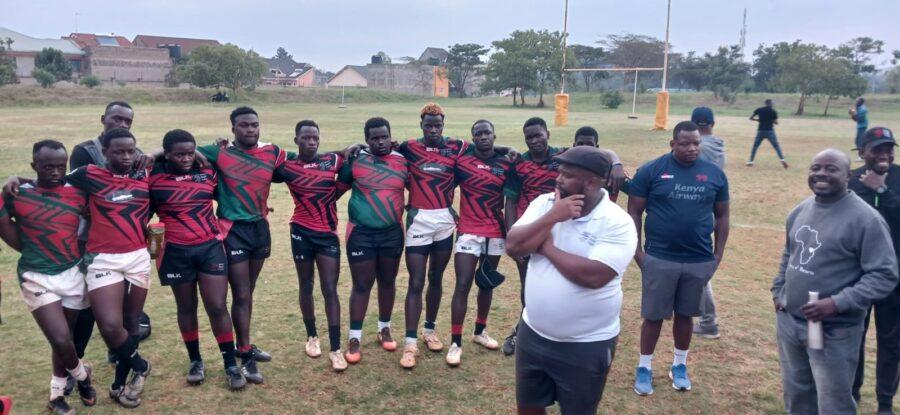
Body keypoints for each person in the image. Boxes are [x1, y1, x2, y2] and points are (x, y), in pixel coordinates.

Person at [507, 146, 637, 414]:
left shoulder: (617, 222)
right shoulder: (545, 204)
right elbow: (514, 246)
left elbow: (593, 276)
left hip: (586, 345)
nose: (557, 179)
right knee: (528, 408)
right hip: (533, 334)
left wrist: (547, 248)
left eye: (566, 175)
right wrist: (554, 215)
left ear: (590, 183)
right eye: (559, 172)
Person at [772, 148, 898, 415]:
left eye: (831, 169)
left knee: (833, 403)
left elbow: (884, 274)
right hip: (791, 323)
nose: (821, 174)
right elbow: (789, 252)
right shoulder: (800, 210)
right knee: (797, 395)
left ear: (848, 175)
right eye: (816, 167)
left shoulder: (866, 220)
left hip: (833, 330)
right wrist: (778, 289)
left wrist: (837, 303)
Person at [502, 118, 626, 356]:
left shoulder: (565, 156)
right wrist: (512, 232)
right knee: (529, 283)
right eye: (530, 137)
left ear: (547, 133)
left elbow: (595, 150)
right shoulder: (520, 163)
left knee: (565, 279)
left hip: (561, 229)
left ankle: (566, 333)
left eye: (539, 135)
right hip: (529, 229)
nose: (535, 140)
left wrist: (616, 161)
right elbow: (510, 200)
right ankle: (524, 329)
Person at [628, 121, 730, 395]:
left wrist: (717, 255)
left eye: (696, 143)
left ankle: (679, 365)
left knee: (686, 315)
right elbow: (634, 212)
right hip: (660, 257)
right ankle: (645, 367)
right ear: (672, 144)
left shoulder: (714, 174)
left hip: (698, 259)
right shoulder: (652, 170)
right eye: (685, 143)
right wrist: (638, 253)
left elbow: (722, 216)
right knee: (653, 316)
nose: (691, 148)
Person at [0, 140, 98, 414]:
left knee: (64, 337)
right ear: (35, 166)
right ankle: (82, 377)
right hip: (36, 277)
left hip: (72, 273)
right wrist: (12, 179)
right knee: (60, 339)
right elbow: (5, 224)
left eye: (60, 166)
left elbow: (93, 219)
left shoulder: (78, 194)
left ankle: (56, 396)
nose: (55, 172)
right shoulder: (17, 193)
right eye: (47, 167)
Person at [148, 129, 245, 390]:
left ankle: (230, 364)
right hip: (175, 251)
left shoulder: (207, 173)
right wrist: (155, 154)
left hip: (209, 248)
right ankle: (195, 360)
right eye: (178, 154)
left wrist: (202, 154)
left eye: (190, 153)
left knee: (217, 306)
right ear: (166, 154)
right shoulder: (154, 177)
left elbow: (227, 186)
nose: (185, 159)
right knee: (186, 307)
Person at [195, 106, 285, 384]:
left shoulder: (271, 151)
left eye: (254, 125)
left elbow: (296, 162)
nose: (250, 129)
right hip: (233, 230)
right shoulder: (220, 152)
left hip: (260, 228)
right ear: (232, 128)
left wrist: (347, 151)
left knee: (248, 292)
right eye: (244, 125)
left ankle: (244, 343)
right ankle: (244, 354)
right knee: (242, 293)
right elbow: (183, 149)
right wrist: (152, 155)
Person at [68, 101, 151, 375]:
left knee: (125, 310)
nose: (123, 124)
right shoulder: (85, 152)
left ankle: (119, 354)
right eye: (117, 119)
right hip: (89, 239)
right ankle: (75, 361)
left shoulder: (135, 154)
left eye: (128, 121)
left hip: (129, 244)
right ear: (104, 119)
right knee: (86, 307)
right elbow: (70, 188)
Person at [273, 120, 349, 371]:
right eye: (305, 138)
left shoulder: (332, 161)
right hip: (301, 233)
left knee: (330, 288)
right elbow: (262, 175)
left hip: (327, 235)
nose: (311, 142)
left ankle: (336, 348)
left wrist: (356, 146)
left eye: (315, 137)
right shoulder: (287, 167)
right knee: (306, 285)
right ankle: (312, 337)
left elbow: (351, 152)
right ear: (296, 141)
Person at [443, 120, 516, 367]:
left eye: (487, 133)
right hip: (468, 232)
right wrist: (450, 212)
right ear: (472, 137)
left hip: (495, 232)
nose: (483, 137)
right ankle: (455, 342)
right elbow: (443, 187)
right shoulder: (462, 161)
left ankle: (479, 331)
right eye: (478, 134)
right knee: (463, 283)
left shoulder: (506, 163)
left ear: (494, 135)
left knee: (486, 282)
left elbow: (512, 198)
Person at [338, 117, 408, 365]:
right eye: (374, 138)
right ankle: (354, 336)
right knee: (362, 284)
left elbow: (418, 189)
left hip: (392, 232)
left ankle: (384, 328)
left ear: (391, 136)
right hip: (361, 234)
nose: (380, 141)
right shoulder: (356, 160)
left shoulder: (402, 162)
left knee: (387, 281)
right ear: (367, 140)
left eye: (384, 136)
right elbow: (336, 189)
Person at [849, 127, 900, 414]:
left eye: (889, 149)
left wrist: (881, 189)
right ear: (862, 152)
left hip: (895, 278)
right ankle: (853, 391)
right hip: (858, 277)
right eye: (877, 150)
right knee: (854, 336)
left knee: (892, 342)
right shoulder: (851, 181)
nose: (884, 155)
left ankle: (885, 402)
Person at [691, 107, 725, 340]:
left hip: (696, 213)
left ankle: (709, 322)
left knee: (697, 269)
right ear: (713, 123)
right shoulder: (718, 146)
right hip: (709, 211)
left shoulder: (698, 149)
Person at [748, 99, 788, 168]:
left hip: (760, 131)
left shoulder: (759, 109)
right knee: (776, 146)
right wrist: (772, 121)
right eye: (772, 103)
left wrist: (758, 120)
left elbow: (751, 118)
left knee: (755, 146)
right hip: (770, 131)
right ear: (769, 103)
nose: (773, 104)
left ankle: (750, 161)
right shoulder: (773, 111)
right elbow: (776, 122)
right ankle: (782, 159)